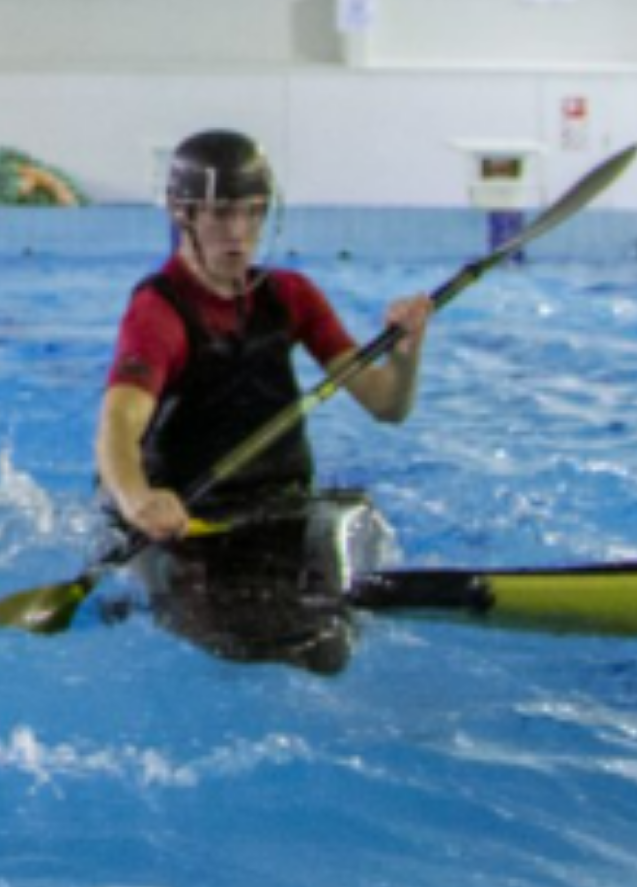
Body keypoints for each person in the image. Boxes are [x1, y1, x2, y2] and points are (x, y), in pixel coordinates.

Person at [90, 129, 430, 673]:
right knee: (252, 649)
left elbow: (385, 405)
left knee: (328, 644)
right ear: (182, 213)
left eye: (252, 213)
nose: (239, 234)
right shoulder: (159, 312)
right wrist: (138, 501)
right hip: (185, 516)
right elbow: (117, 424)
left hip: (276, 504)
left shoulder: (290, 296)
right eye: (221, 214)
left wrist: (406, 356)